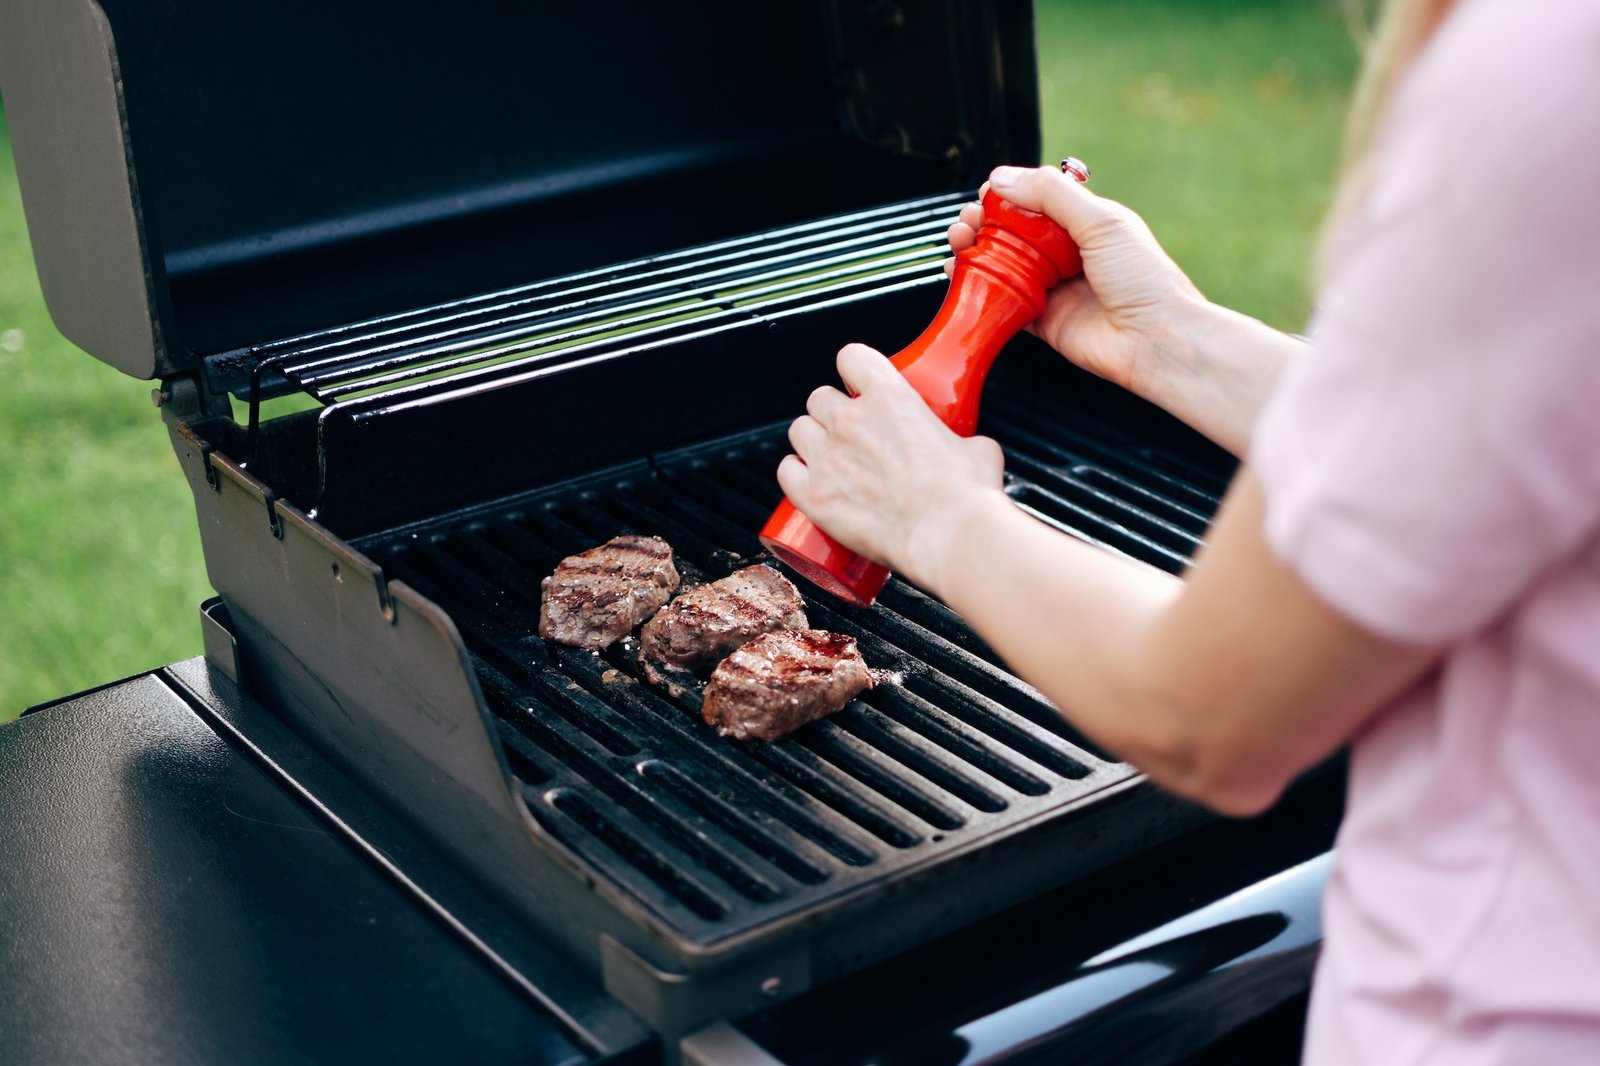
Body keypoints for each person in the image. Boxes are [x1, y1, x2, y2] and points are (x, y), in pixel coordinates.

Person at [774, 0, 1600, 1062]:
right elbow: (1515, 428)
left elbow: (1213, 715)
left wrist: (938, 516)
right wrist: (1178, 346)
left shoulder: (1546, 72)